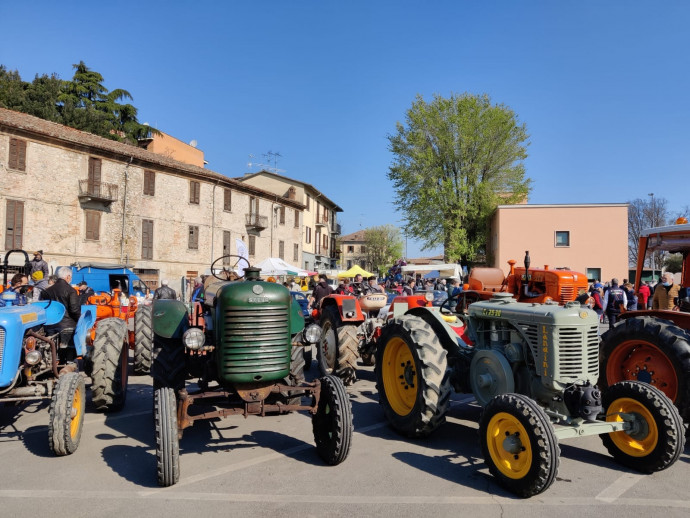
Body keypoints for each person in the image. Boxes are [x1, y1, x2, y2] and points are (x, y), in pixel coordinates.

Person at [40, 266, 81, 332]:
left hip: (50, 324)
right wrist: (80, 319)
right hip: (67, 325)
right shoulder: (71, 291)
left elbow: (43, 307)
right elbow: (74, 310)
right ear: (68, 277)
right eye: (71, 277)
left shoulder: (47, 291)